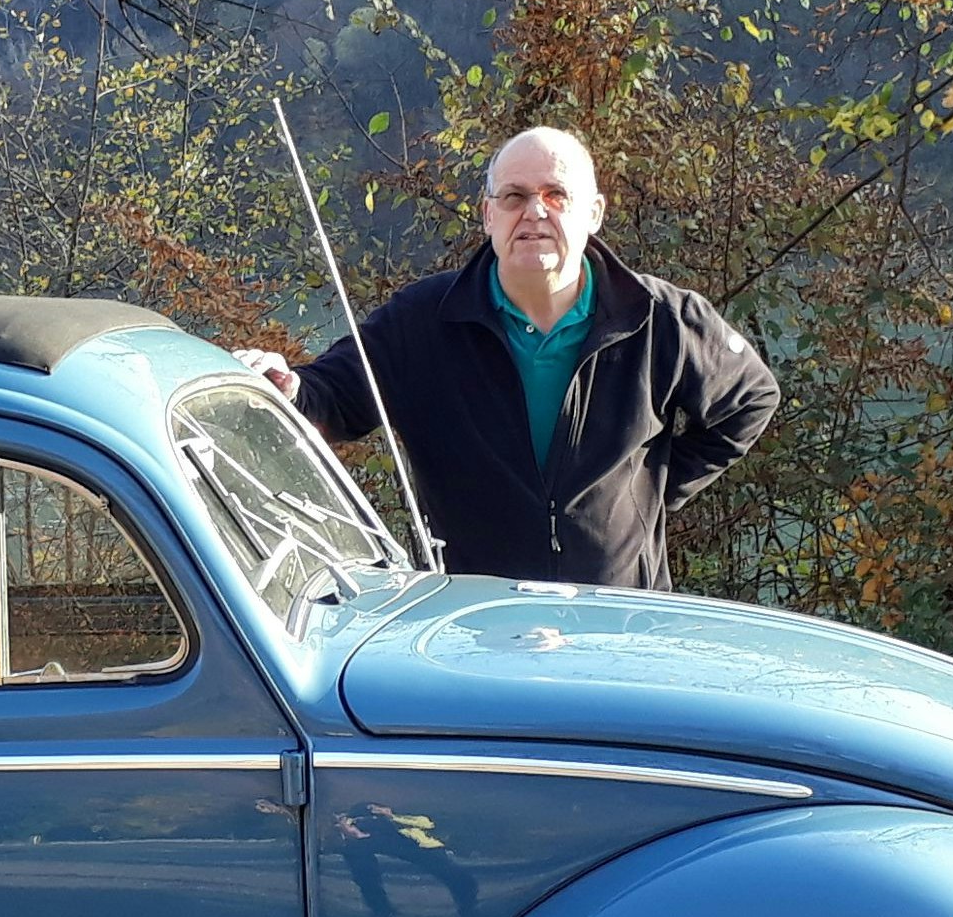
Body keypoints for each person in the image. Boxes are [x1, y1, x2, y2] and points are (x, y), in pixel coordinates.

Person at [236, 126, 780, 591]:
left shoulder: (660, 318)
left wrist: (652, 491)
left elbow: (751, 400)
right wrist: (283, 386)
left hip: (623, 621)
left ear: (593, 213)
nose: (534, 212)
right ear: (488, 214)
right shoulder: (424, 319)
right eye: (514, 196)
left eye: (556, 195)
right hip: (473, 624)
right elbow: (329, 397)